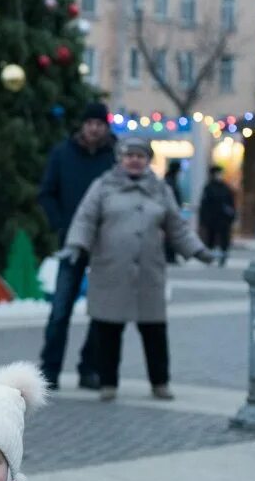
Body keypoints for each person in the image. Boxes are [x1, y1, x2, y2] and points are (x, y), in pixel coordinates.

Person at [63, 135, 213, 402]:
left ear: (147, 160)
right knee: (108, 330)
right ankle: (108, 383)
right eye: (129, 155)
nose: (134, 160)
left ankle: (160, 382)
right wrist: (76, 245)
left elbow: (176, 226)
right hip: (111, 269)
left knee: (154, 330)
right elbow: (85, 219)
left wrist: (197, 250)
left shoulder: (160, 189)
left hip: (148, 272)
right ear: (120, 159)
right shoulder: (103, 186)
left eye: (140, 156)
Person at [37, 102, 116, 390]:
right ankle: (50, 369)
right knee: (60, 310)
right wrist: (61, 223)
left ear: (106, 127)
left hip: (105, 245)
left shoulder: (114, 157)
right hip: (71, 242)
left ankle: (89, 368)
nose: (94, 128)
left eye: (99, 123)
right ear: (82, 126)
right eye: (90, 123)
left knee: (101, 311)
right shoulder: (62, 153)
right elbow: (46, 193)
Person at [199, 165, 237, 267]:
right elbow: (204, 205)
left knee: (224, 238)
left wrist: (232, 215)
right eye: (217, 173)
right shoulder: (208, 188)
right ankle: (210, 257)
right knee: (210, 238)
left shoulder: (225, 188)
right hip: (212, 219)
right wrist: (203, 219)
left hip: (223, 219)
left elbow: (231, 203)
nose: (219, 176)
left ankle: (223, 256)